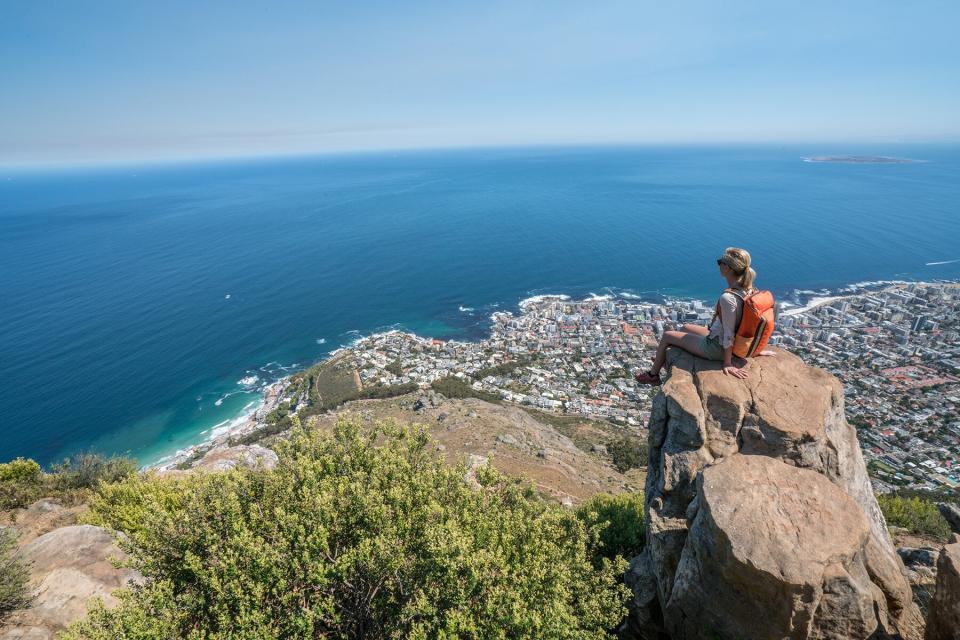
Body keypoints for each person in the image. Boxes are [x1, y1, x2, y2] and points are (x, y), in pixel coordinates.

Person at [635, 247, 774, 385]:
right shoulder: (751, 291)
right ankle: (663, 360)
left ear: (729, 268)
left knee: (667, 336)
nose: (719, 264)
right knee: (685, 327)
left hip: (715, 347)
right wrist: (754, 349)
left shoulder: (728, 298)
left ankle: (653, 375)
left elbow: (728, 333)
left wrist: (727, 363)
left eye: (721, 262)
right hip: (729, 340)